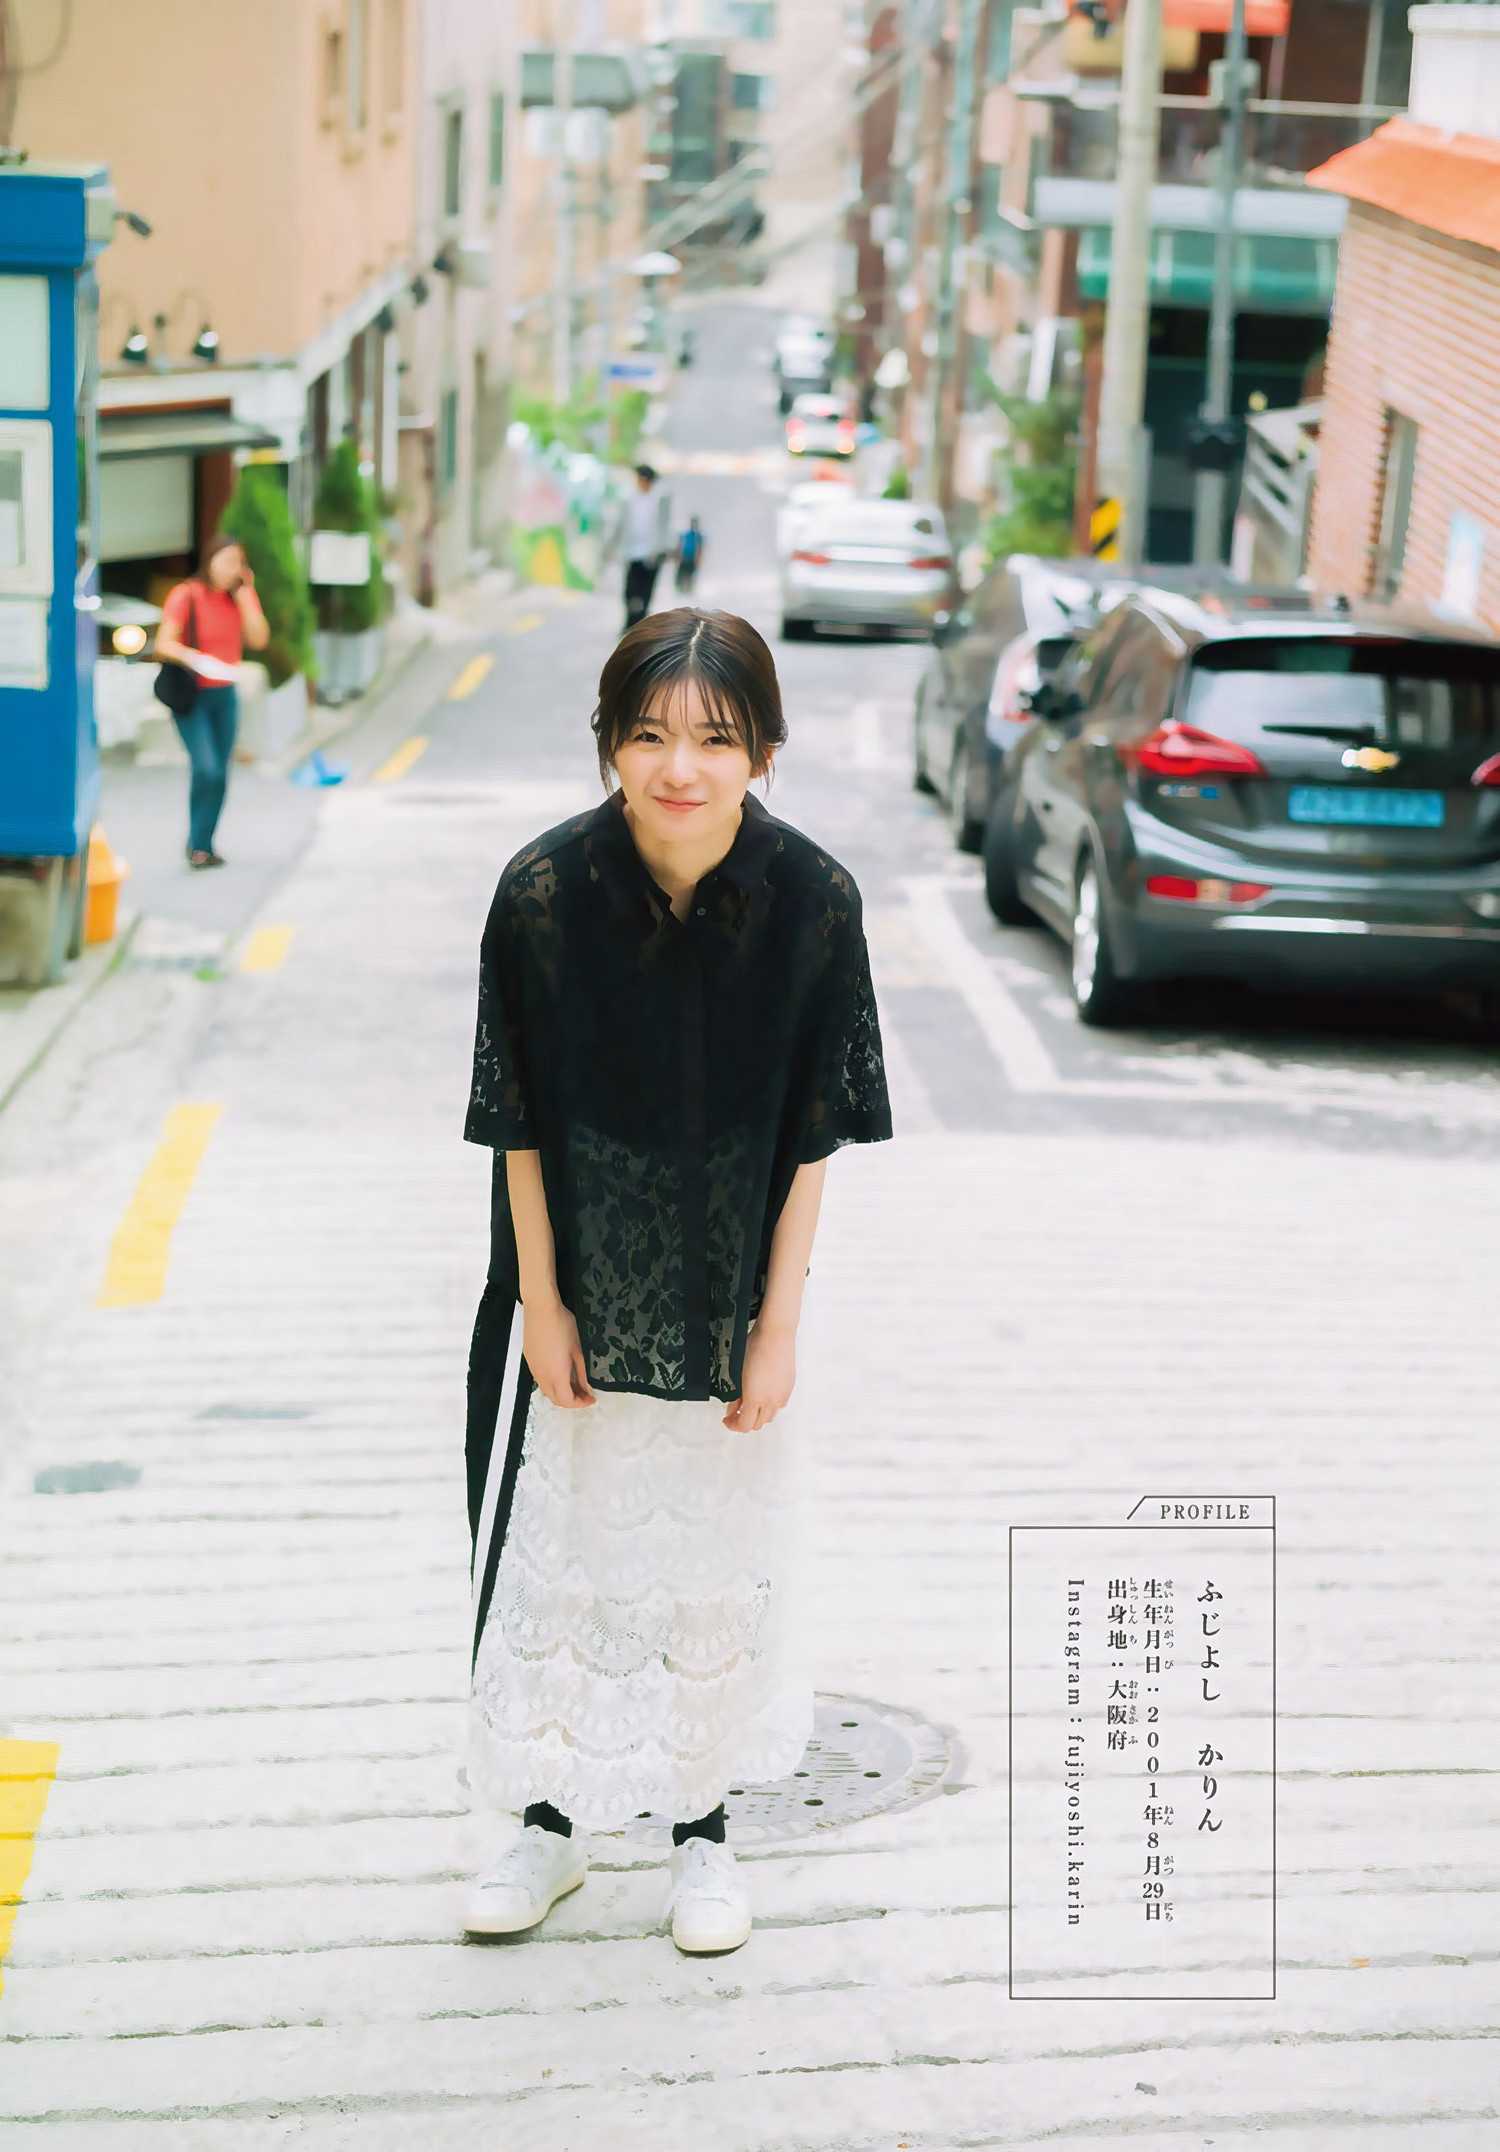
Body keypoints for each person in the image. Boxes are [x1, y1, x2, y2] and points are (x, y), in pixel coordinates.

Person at [460, 608, 893, 1956]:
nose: (680, 768)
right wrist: (543, 1302)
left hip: (727, 1293)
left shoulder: (815, 902)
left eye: (715, 737)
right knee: (560, 1559)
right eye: (648, 736)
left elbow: (812, 1137)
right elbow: (515, 1120)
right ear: (609, 746)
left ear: (763, 749)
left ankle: (704, 1837)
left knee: (711, 1568)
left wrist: (779, 1326)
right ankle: (545, 1829)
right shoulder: (542, 891)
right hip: (575, 1284)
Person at [154, 535, 269, 869]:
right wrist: (195, 658)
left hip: (224, 696)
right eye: (227, 560)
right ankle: (198, 843)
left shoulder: (238, 599)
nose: (232, 568)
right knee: (206, 768)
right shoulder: (186, 594)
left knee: (219, 774)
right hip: (192, 695)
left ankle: (201, 845)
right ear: (210, 559)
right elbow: (163, 644)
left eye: (238, 563)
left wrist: (247, 595)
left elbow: (259, 639)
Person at [618, 463, 673, 632]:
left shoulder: (660, 499)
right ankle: (629, 621)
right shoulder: (629, 499)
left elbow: (665, 525)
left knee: (646, 591)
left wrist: (665, 549)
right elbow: (620, 525)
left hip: (652, 554)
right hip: (633, 553)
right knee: (630, 591)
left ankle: (639, 625)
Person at [674, 513, 705, 595]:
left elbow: (700, 548)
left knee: (689, 575)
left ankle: (688, 591)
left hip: (692, 559)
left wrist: (698, 560)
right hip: (684, 558)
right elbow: (680, 546)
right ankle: (680, 591)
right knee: (681, 575)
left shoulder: (698, 536)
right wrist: (678, 557)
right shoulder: (685, 534)